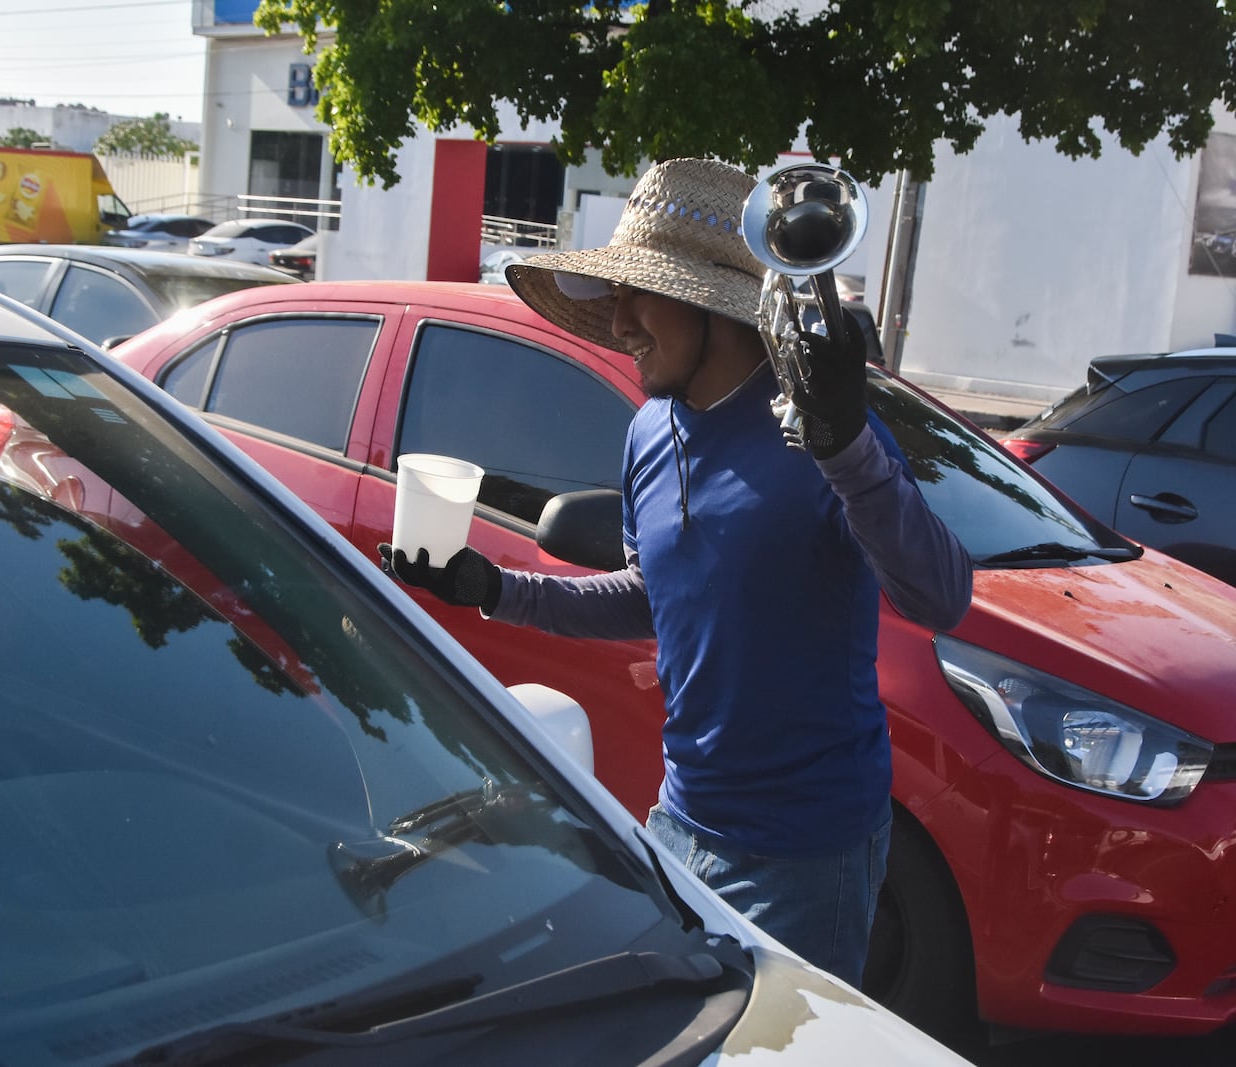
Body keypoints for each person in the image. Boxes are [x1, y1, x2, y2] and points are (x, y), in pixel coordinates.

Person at [379, 158, 972, 985]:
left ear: (709, 304)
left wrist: (845, 445)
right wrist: (496, 590)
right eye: (614, 294)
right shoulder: (649, 432)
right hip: (682, 818)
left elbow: (941, 595)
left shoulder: (823, 430)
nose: (617, 322)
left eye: (638, 294)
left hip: (806, 848)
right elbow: (657, 597)